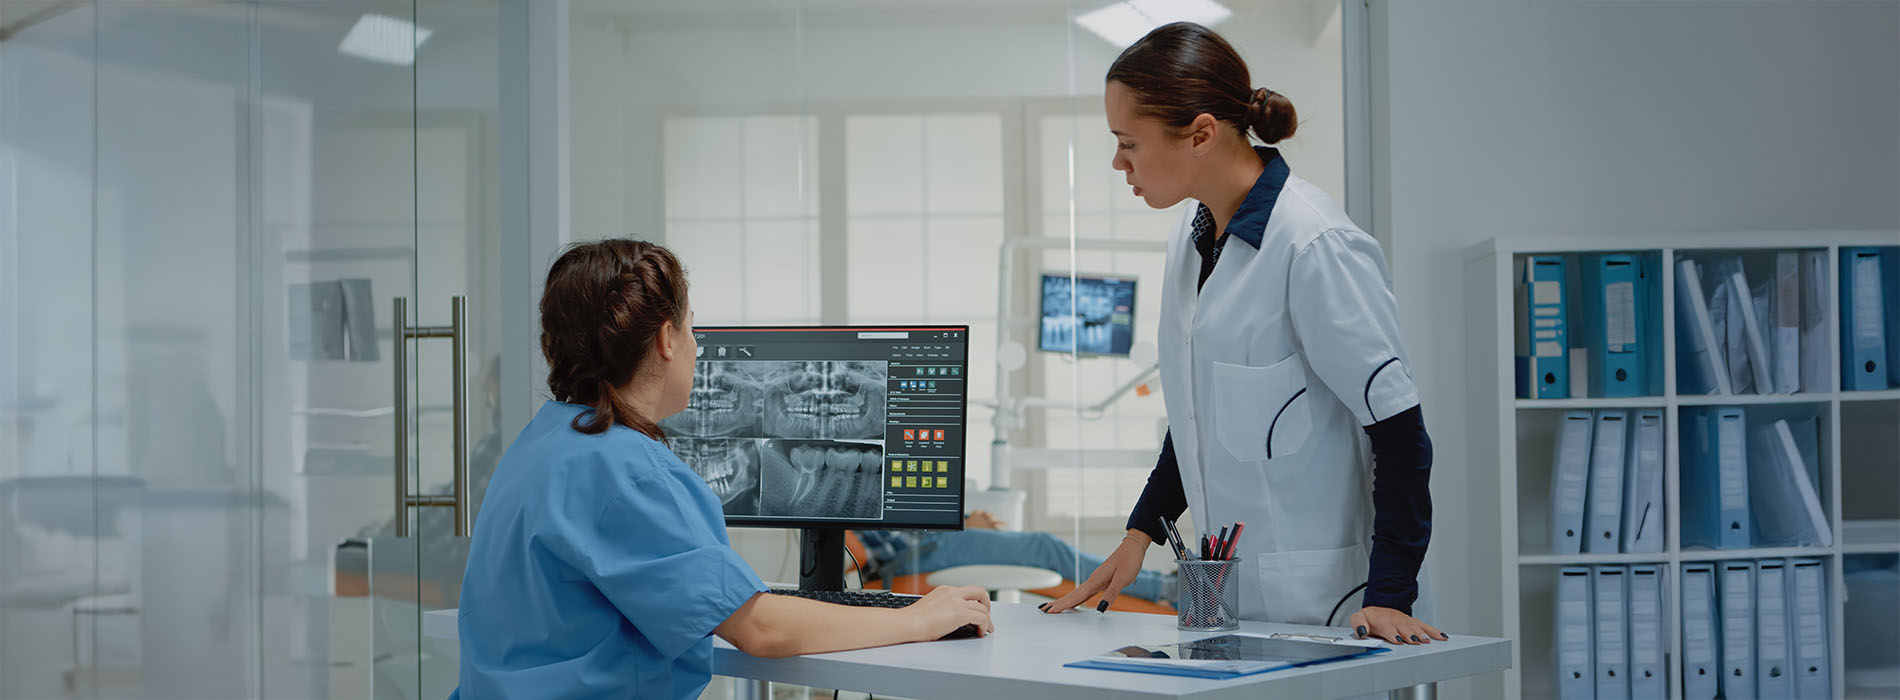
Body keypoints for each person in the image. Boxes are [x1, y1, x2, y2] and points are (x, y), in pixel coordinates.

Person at [1041, 23, 1446, 648]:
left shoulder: (1315, 245)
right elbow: (1203, 411)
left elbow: (1400, 433)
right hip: (1226, 599)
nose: (1118, 161)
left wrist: (1391, 595)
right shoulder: (1191, 235)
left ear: (1201, 134)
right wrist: (1139, 535)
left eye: (1127, 142)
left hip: (1324, 605)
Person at [452, 239, 993, 700]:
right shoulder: (629, 470)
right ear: (666, 339)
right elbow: (759, 627)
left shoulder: (541, 442)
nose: (697, 345)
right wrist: (915, 619)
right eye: (692, 329)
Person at [855, 510, 1178, 605]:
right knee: (1043, 548)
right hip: (913, 556)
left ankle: (1162, 587)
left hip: (931, 538)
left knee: (1043, 546)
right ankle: (1165, 590)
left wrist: (959, 520)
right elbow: (854, 557)